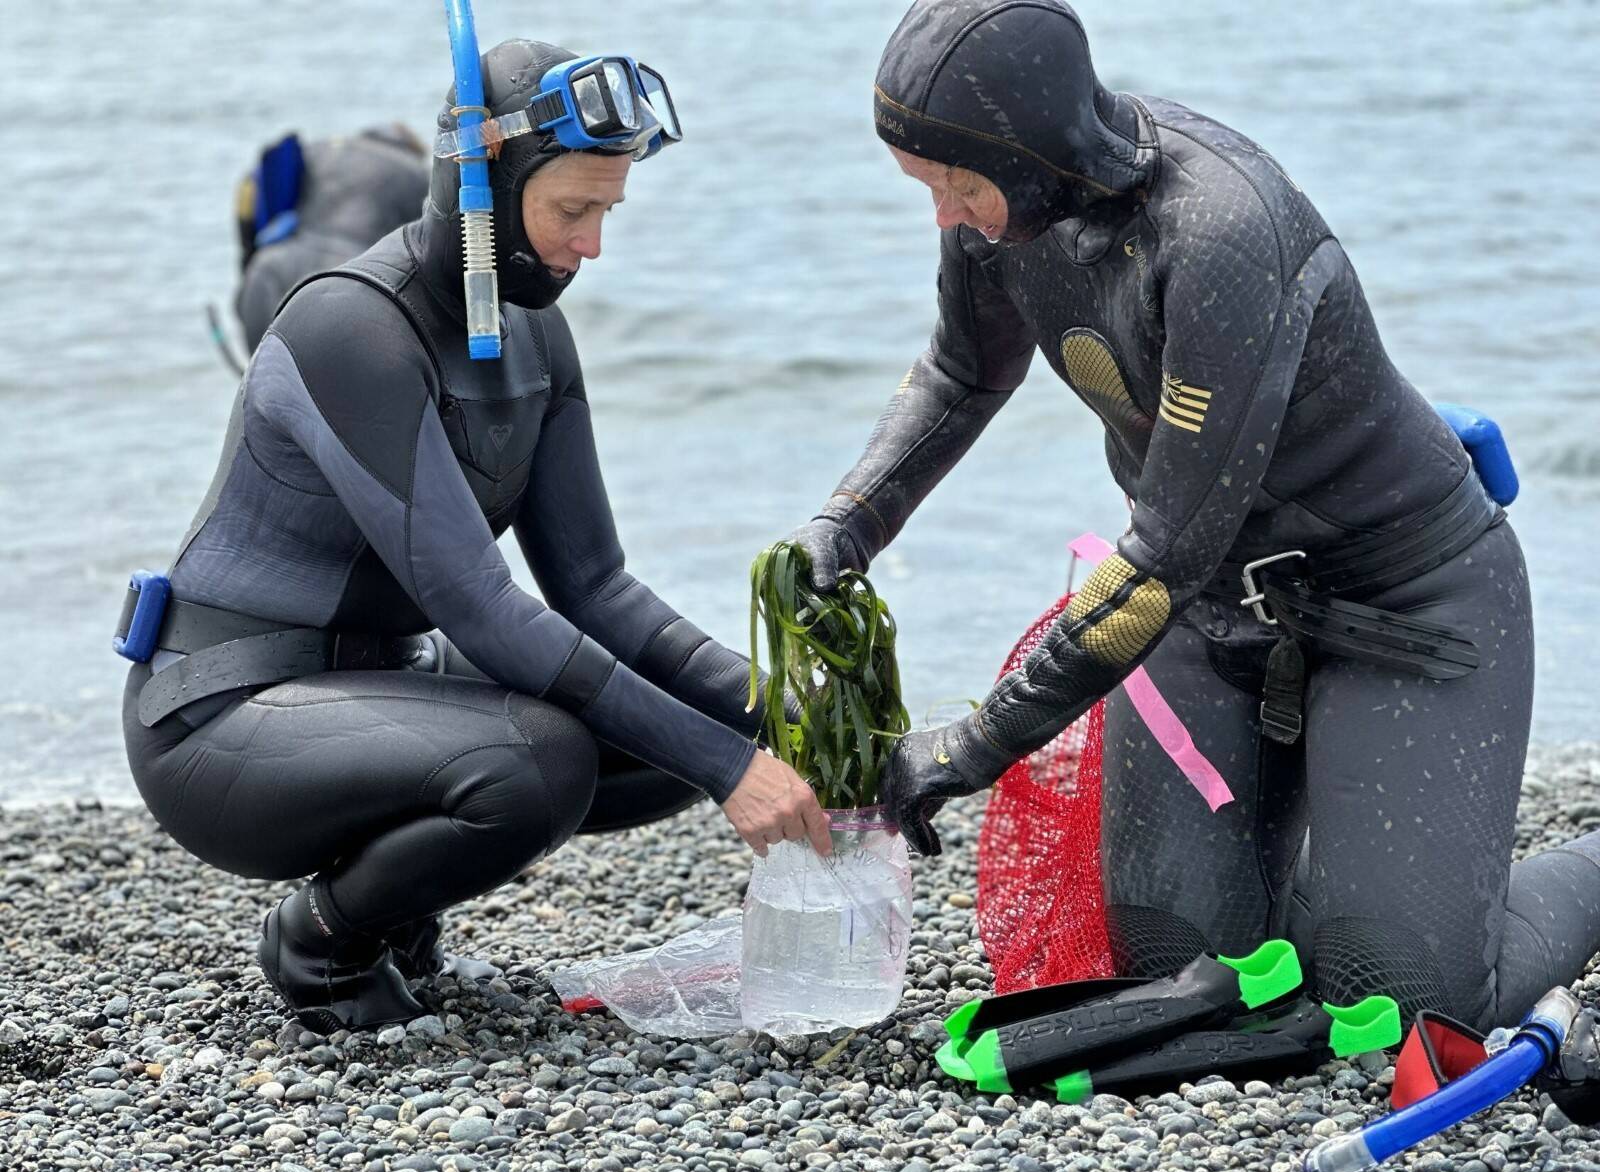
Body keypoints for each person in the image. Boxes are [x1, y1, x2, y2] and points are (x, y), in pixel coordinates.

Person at [789, 0, 1600, 1032]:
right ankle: (1363, 857)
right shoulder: (1005, 208)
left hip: (1402, 609)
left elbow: (1159, 558)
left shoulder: (1219, 232)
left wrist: (965, 752)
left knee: (1402, 1002)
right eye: (926, 188)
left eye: (956, 185)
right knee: (1172, 974)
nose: (945, 216)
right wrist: (844, 525)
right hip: (1208, 617)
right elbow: (958, 371)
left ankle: (1431, 876)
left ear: (1036, 148)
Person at [121, 39, 828, 1032]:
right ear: (477, 193)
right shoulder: (350, 330)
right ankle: (321, 944)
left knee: (673, 721)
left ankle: (401, 912)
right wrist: (731, 772)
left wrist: (782, 712)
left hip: (375, 685)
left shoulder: (536, 334)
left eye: (605, 213)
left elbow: (599, 589)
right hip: (220, 718)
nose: (592, 246)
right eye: (571, 212)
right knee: (541, 758)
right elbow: (480, 607)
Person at [232, 125, 430, 352]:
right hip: (350, 279)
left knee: (263, 374)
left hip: (270, 268)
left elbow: (251, 191)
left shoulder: (317, 150)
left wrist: (248, 261)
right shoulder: (417, 173)